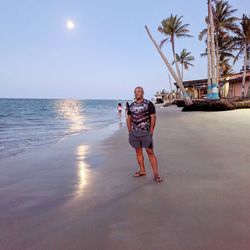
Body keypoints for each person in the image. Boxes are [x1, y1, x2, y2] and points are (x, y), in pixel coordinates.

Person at [127, 86, 162, 182]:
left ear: (143, 93)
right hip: (135, 133)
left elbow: (153, 117)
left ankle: (156, 174)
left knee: (150, 152)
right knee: (138, 152)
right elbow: (129, 118)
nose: (137, 93)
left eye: (139, 91)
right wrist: (129, 131)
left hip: (146, 133)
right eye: (135, 92)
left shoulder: (148, 104)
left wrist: (151, 131)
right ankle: (142, 170)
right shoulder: (132, 105)